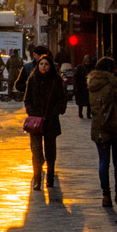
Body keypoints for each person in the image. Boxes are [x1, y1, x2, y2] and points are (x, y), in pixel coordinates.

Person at [87, 57, 117, 206]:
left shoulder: (92, 85)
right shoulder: (115, 84)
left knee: (103, 162)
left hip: (100, 129)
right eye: (114, 68)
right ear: (109, 69)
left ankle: (105, 195)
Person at [23, 52, 67, 189]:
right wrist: (32, 112)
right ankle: (37, 179)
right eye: (41, 64)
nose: (43, 66)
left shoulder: (56, 80)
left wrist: (52, 114)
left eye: (46, 64)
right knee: (36, 150)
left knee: (50, 151)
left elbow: (62, 101)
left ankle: (50, 177)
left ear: (51, 66)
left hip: (50, 121)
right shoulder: (32, 80)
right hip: (35, 122)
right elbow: (27, 99)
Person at [73, 55, 93, 119]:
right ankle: (80, 114)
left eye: (88, 61)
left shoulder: (91, 67)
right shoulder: (80, 67)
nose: (87, 63)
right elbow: (75, 77)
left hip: (88, 87)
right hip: (81, 87)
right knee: (80, 103)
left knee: (89, 102)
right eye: (86, 61)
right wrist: (76, 86)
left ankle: (88, 114)